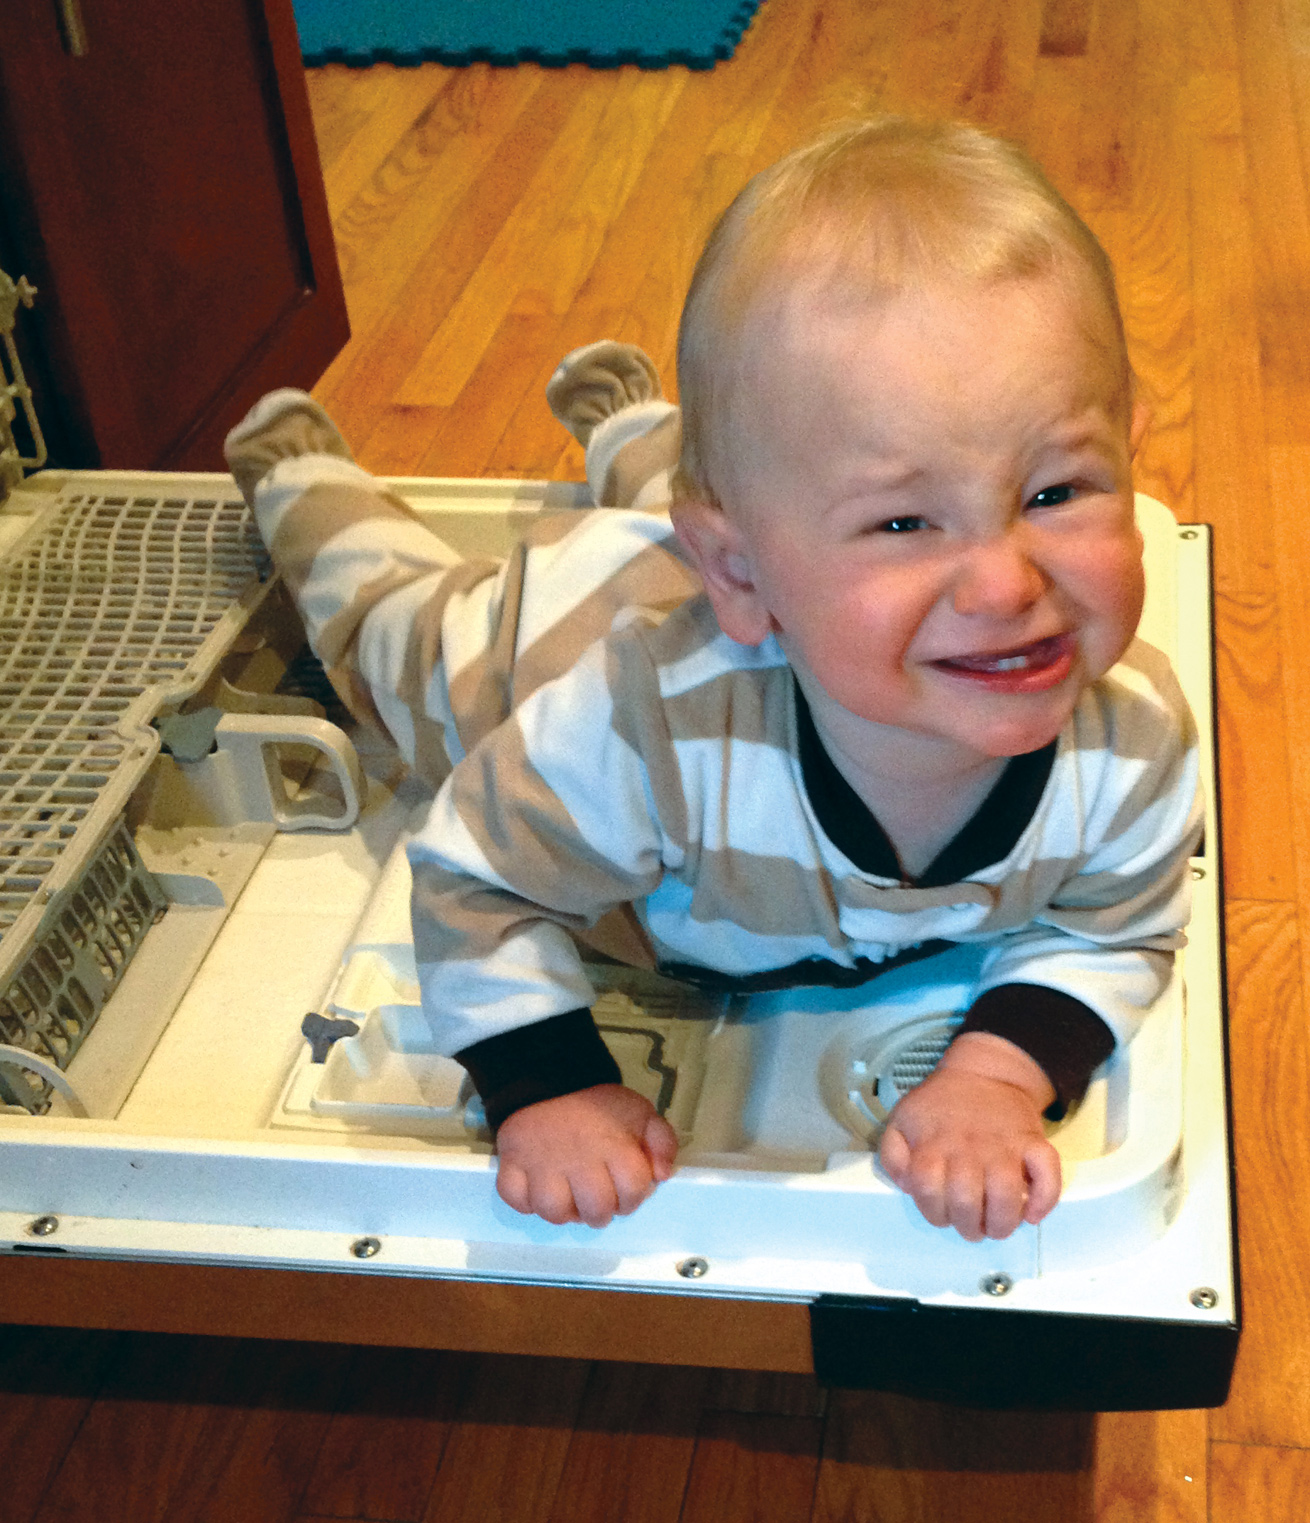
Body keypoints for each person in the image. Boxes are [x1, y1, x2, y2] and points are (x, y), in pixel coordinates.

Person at [225, 115, 1202, 1245]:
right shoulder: (636, 731)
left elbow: (1110, 929)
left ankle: (635, 431)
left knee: (730, 489)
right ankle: (297, 475)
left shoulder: (1132, 747)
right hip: (535, 646)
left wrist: (992, 1075)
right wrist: (542, 1081)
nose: (1002, 582)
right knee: (386, 628)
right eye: (901, 519)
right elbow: (475, 878)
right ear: (734, 572)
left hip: (734, 555)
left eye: (1056, 491)